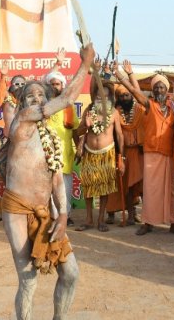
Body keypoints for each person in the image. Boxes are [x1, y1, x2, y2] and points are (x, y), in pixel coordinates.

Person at [1, 42, 94, 320]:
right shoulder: (22, 120)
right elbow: (66, 99)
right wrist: (86, 64)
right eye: (30, 94)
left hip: (48, 212)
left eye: (41, 94)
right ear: (22, 102)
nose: (36, 98)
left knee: (71, 273)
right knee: (28, 279)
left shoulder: (49, 136)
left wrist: (63, 215)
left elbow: (56, 180)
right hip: (18, 211)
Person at [115, 62, 174, 236]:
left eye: (162, 87)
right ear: (153, 90)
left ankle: (173, 223)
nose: (159, 90)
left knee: (171, 191)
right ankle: (148, 222)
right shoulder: (148, 104)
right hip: (151, 151)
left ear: (166, 89)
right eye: (157, 87)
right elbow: (134, 92)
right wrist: (124, 75)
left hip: (169, 152)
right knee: (150, 189)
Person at [75, 81, 124, 232]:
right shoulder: (89, 111)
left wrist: (121, 157)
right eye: (98, 96)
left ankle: (101, 219)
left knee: (104, 187)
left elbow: (120, 135)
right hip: (89, 153)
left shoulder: (114, 113)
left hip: (107, 153)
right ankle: (89, 219)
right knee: (88, 186)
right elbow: (78, 131)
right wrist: (86, 125)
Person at [106, 82, 145, 225]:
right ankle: (111, 213)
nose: (124, 97)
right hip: (118, 151)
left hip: (136, 152)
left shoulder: (140, 109)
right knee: (116, 184)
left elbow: (139, 93)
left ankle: (132, 213)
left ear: (131, 96)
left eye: (127, 95)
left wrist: (129, 76)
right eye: (121, 95)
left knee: (135, 184)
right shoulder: (114, 111)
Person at [44, 66, 78, 225]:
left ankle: (66, 215)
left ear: (62, 86)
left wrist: (79, 149)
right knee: (50, 187)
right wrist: (57, 63)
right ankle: (53, 216)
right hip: (47, 154)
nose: (54, 87)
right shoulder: (43, 106)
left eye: (57, 84)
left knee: (66, 188)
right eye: (52, 84)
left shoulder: (68, 106)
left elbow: (76, 131)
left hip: (66, 154)